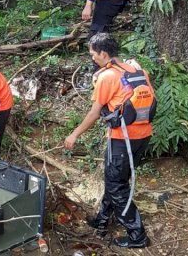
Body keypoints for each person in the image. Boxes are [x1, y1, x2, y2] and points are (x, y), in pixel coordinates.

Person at [64, 33, 154, 249]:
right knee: (115, 181)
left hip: (122, 140)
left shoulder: (107, 77)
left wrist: (74, 134)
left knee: (116, 186)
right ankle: (102, 220)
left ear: (104, 53)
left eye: (93, 54)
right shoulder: (136, 69)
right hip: (142, 136)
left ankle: (137, 235)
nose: (92, 58)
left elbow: (95, 112)